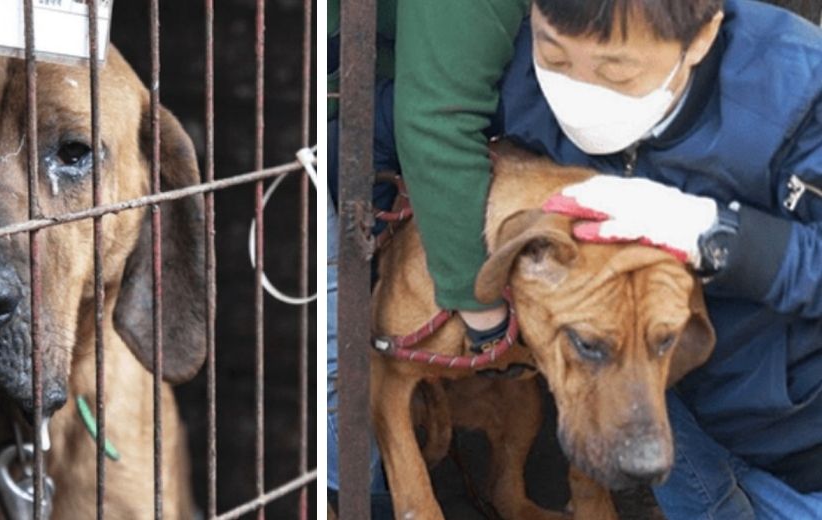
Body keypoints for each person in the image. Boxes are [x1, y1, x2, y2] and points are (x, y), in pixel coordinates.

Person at [489, 0, 822, 517]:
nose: (578, 91)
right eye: (553, 57)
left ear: (701, 39)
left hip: (801, 445)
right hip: (664, 404)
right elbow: (402, 123)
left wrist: (713, 232)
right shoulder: (518, 80)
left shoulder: (798, 87)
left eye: (615, 70)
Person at [326, 0, 528, 516]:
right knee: (346, 343)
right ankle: (358, 490)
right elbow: (435, 122)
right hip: (342, 102)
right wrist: (483, 313)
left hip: (414, 83)